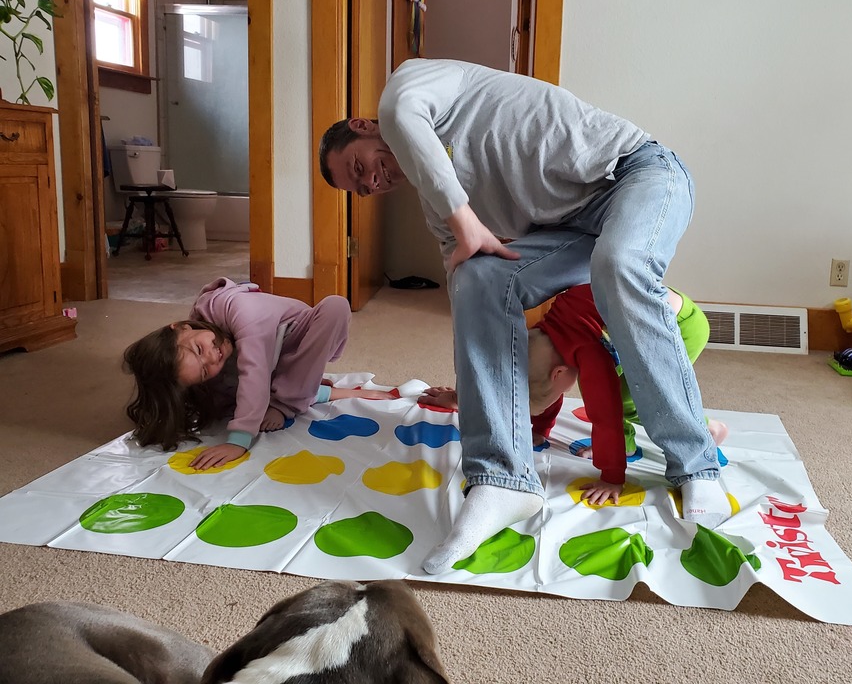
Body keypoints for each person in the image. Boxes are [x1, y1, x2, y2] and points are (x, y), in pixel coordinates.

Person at [319, 58, 729, 574]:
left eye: (360, 166)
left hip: (639, 173)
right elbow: (464, 283)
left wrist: (462, 216)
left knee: (620, 263)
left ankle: (694, 463)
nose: (373, 181)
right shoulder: (435, 202)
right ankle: (501, 479)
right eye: (362, 189)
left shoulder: (409, 87)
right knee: (477, 278)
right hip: (574, 226)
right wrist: (475, 391)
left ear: (363, 126)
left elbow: (402, 116)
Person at [421, 283, 729, 507]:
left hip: (679, 326)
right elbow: (540, 385)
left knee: (633, 401)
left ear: (558, 374)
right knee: (621, 391)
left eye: (559, 390)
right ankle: (631, 440)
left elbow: (604, 416)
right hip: (628, 320)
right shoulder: (542, 336)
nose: (566, 392)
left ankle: (705, 428)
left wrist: (611, 477)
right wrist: (539, 432)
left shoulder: (589, 354)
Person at [123, 277, 395, 470]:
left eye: (198, 348)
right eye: (204, 370)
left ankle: (286, 401)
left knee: (336, 304)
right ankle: (318, 392)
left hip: (296, 340)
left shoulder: (238, 309)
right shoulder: (207, 342)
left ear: (182, 327)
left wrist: (239, 439)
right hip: (272, 366)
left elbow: (255, 370)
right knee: (218, 397)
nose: (211, 355)